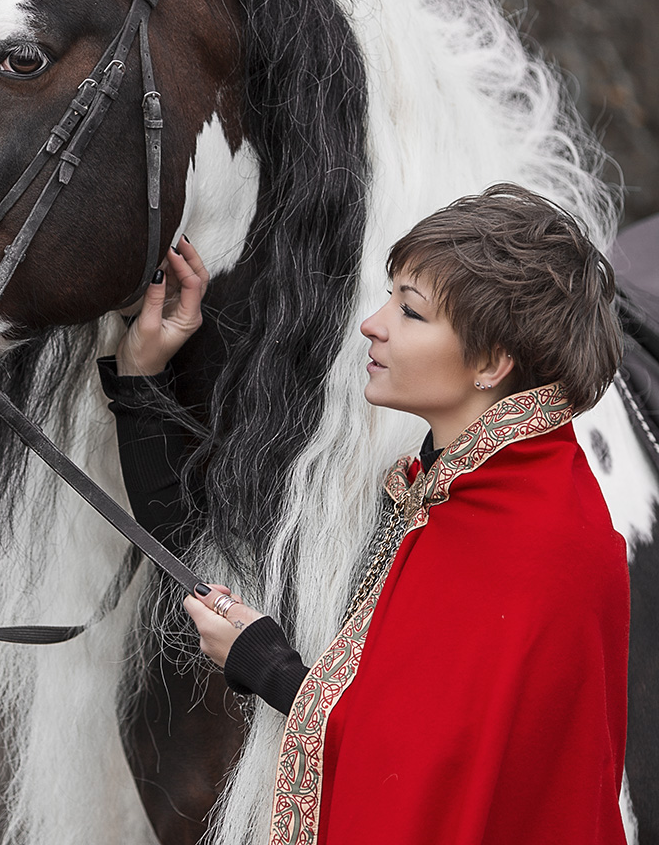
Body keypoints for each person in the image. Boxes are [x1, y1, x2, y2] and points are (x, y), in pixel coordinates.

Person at [98, 184, 629, 845]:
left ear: (492, 363)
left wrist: (270, 668)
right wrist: (142, 381)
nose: (372, 323)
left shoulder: (538, 542)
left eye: (410, 310)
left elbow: (425, 777)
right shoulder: (455, 488)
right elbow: (202, 560)